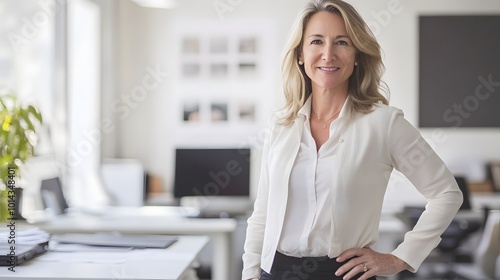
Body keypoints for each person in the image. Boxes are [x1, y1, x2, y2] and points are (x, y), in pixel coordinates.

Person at [241, 0, 463, 279]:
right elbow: (262, 213)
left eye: (342, 42)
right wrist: (250, 274)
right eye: (317, 41)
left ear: (357, 54)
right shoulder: (281, 125)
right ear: (300, 54)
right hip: (274, 270)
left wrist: (400, 258)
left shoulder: (384, 123)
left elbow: (446, 193)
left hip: (346, 273)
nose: (328, 54)